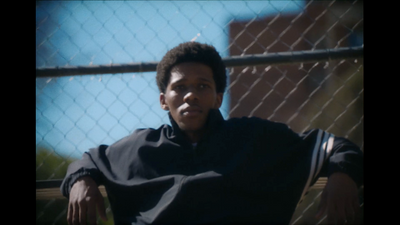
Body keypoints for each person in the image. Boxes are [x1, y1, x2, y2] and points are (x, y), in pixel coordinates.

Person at [61, 41, 363, 225]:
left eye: (202, 86)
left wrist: (342, 174)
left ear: (218, 97)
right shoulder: (138, 148)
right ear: (163, 100)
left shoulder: (253, 137)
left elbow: (335, 146)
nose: (190, 95)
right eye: (179, 87)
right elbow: (89, 160)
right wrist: (80, 181)